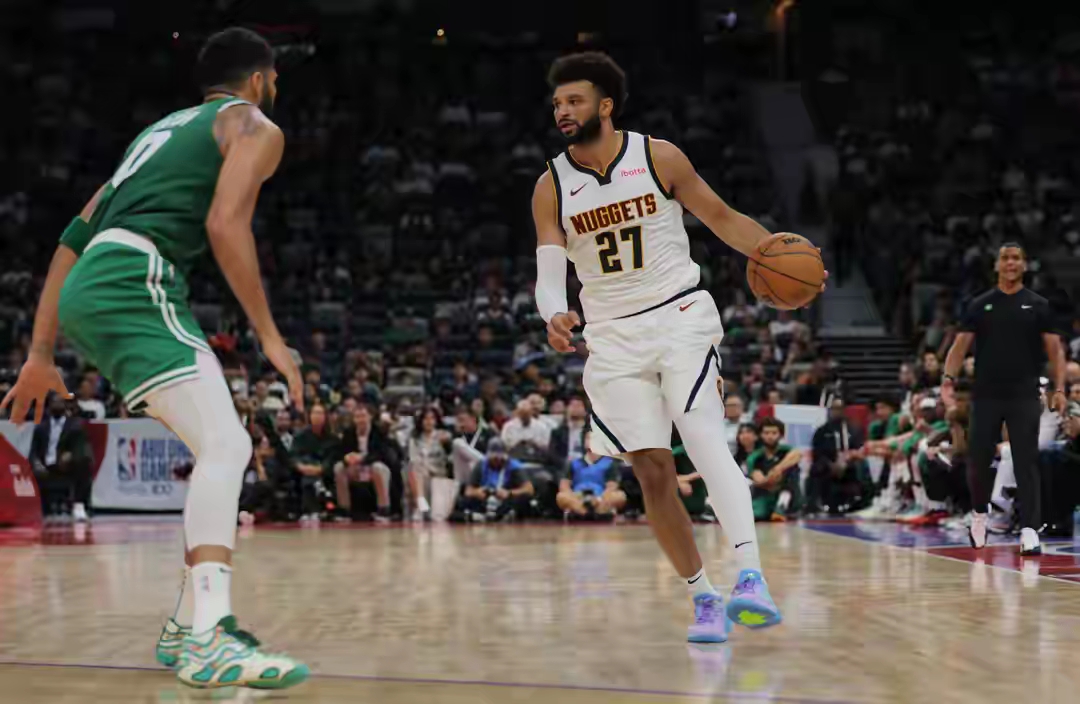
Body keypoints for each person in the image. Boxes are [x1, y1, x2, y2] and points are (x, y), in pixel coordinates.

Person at [0, 28, 308, 688]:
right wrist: (269, 336)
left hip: (93, 284)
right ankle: (209, 638)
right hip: (135, 278)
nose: (275, 90)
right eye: (275, 80)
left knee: (218, 445)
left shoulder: (157, 135)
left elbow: (70, 240)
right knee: (227, 444)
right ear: (259, 80)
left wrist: (40, 351)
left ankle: (184, 624)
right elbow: (225, 224)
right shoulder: (254, 125)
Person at [532, 51, 800, 642]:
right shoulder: (551, 187)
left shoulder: (659, 157)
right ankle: (703, 597)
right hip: (611, 336)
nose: (562, 111)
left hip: (678, 315)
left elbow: (722, 217)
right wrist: (554, 312)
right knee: (653, 473)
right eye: (556, 103)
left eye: (574, 100)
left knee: (702, 435)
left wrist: (776, 252)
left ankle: (751, 577)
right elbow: (549, 274)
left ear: (605, 105)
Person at [942, 243, 1066, 556]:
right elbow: (959, 347)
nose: (1011, 263)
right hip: (986, 394)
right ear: (997, 265)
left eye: (1016, 258)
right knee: (978, 459)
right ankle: (979, 515)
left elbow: (1055, 351)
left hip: (1024, 394)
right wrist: (947, 379)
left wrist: (1060, 388)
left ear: (1024, 265)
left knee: (1026, 460)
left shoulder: (1038, 305)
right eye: (1005, 258)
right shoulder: (979, 304)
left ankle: (1030, 530)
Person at [29, 394, 93, 522]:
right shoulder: (41, 427)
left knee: (83, 463)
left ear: (65, 405)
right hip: (45, 464)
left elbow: (81, 447)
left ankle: (79, 506)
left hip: (64, 464)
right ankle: (41, 509)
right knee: (30, 470)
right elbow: (33, 452)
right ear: (49, 406)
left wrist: (71, 455)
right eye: (54, 402)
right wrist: (36, 463)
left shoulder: (74, 426)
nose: (57, 405)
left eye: (60, 402)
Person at [334, 403, 397, 523]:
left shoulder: (379, 432)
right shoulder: (349, 432)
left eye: (363, 416)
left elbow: (382, 454)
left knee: (378, 468)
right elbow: (341, 452)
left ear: (370, 417)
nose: (360, 420)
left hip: (375, 466)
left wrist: (363, 459)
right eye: (357, 417)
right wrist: (347, 459)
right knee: (339, 468)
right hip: (355, 468)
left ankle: (383, 509)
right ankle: (344, 510)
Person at [557, 430, 627, 519]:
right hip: (578, 497)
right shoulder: (573, 463)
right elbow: (564, 486)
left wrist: (598, 499)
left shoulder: (609, 463)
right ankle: (585, 512)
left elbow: (611, 487)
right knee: (561, 496)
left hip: (600, 497)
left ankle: (596, 511)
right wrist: (574, 496)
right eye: (588, 438)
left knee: (620, 496)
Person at [459, 439, 535, 521]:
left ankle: (506, 514)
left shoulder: (513, 466)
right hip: (485, 500)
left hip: (505, 498)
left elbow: (529, 489)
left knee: (523, 499)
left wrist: (509, 493)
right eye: (494, 458)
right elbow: (468, 491)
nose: (497, 461)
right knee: (461, 500)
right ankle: (477, 515)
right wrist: (477, 492)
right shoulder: (481, 465)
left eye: (499, 458)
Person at [745, 418, 803, 521]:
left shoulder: (787, 450)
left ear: (781, 435)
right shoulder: (755, 457)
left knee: (793, 469)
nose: (770, 436)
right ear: (760, 435)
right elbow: (759, 480)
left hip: (788, 493)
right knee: (758, 514)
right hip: (765, 493)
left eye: (774, 433)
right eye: (766, 433)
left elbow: (797, 454)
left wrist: (778, 469)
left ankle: (782, 504)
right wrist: (771, 479)